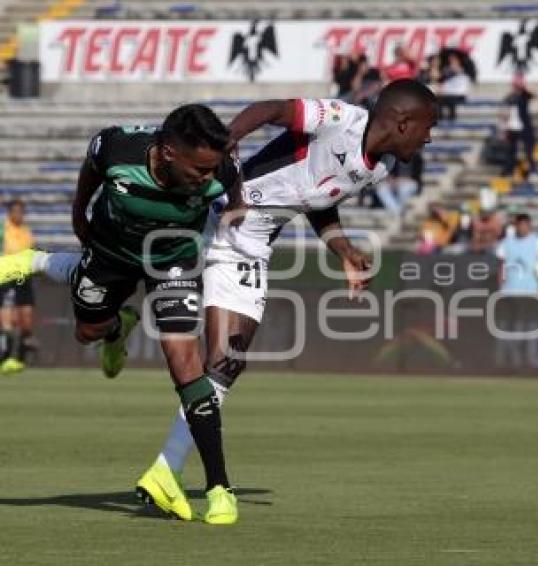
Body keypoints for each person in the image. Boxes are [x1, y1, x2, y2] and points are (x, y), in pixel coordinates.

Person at [0, 79, 439, 521]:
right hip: (217, 221)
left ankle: (165, 470)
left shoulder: (378, 166)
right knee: (104, 313)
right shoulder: (342, 120)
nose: (430, 137)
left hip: (251, 246)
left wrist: (342, 250)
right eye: (429, 127)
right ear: (403, 121)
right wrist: (227, 145)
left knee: (226, 360)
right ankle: (47, 265)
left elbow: (315, 200)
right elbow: (273, 108)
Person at [0, 104, 244, 522]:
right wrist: (79, 210)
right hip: (111, 251)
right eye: (199, 171)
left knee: (185, 362)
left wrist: (236, 210)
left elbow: (234, 186)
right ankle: (57, 276)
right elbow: (91, 168)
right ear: (167, 152)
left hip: (173, 260)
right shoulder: (118, 148)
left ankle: (220, 487)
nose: (207, 179)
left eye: (212, 170)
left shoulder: (218, 170)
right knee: (88, 332)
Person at [0, 199, 35, 373]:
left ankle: (20, 358)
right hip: (7, 276)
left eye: (22, 212)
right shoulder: (3, 229)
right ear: (10, 213)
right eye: (16, 211)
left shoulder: (26, 231)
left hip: (25, 277)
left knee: (26, 321)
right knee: (8, 319)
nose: (19, 215)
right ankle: (5, 357)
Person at [496, 213, 538, 297]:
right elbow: (502, 266)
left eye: (525, 225)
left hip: (530, 292)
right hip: (508, 291)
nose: (523, 228)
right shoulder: (506, 243)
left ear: (530, 226)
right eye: (520, 225)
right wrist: (500, 287)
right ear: (516, 226)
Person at [501, 73, 537, 179]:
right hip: (513, 126)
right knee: (511, 151)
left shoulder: (524, 94)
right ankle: (509, 170)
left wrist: (524, 87)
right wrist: (504, 129)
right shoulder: (510, 97)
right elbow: (504, 113)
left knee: (528, 149)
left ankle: (529, 168)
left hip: (524, 125)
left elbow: (535, 95)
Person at [437, 52, 473, 122]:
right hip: (449, 94)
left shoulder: (463, 74)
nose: (451, 63)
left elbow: (460, 89)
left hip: (457, 95)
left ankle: (451, 119)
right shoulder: (447, 73)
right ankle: (441, 118)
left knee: (448, 101)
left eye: (453, 61)